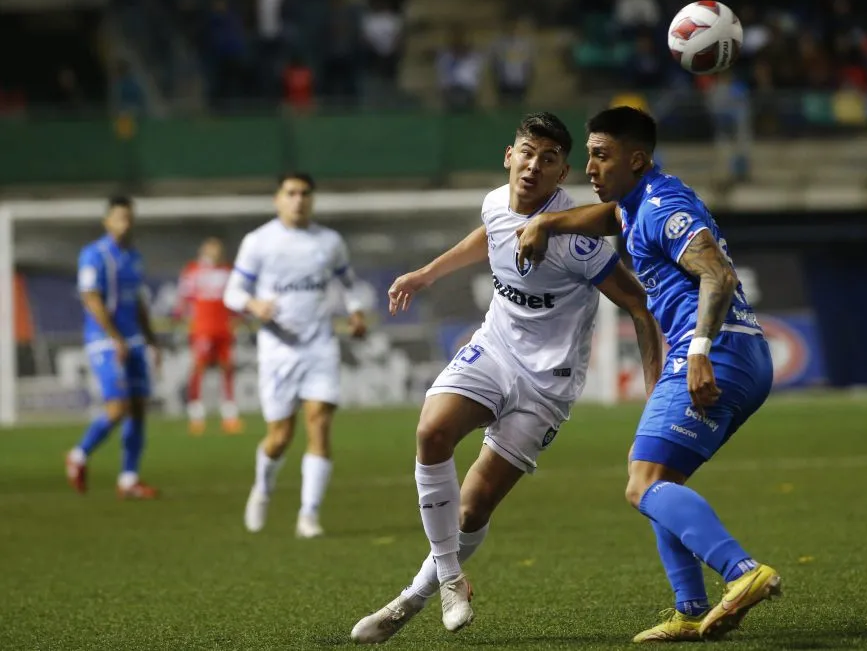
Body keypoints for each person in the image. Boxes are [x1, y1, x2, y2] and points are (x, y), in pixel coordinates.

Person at [350, 112, 663, 643]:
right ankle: (451, 578)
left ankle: (413, 596)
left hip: (548, 383)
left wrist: (655, 392)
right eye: (527, 153)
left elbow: (639, 304)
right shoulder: (495, 201)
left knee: (472, 508)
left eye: (548, 159)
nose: (533, 166)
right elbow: (489, 236)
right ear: (509, 156)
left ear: (562, 173)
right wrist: (427, 274)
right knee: (432, 431)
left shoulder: (577, 239)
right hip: (494, 350)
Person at [516, 106, 780, 642]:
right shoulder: (637, 202)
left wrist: (699, 351)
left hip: (717, 351)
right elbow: (608, 218)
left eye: (601, 155)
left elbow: (718, 275)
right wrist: (546, 222)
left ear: (636, 160)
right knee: (660, 483)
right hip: (738, 353)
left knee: (643, 484)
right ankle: (690, 609)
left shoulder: (661, 208)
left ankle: (742, 571)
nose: (589, 167)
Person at [223, 173, 368, 538]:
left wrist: (355, 311)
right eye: (290, 193)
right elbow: (232, 292)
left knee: (319, 422)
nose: (298, 200)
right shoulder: (259, 241)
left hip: (320, 346)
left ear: (312, 199)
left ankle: (309, 515)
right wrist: (254, 304)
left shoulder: (329, 241)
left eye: (304, 193)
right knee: (280, 437)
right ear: (277, 199)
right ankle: (263, 487)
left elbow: (348, 282)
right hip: (278, 350)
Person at [65, 196, 162, 499]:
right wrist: (114, 337)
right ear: (106, 221)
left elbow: (139, 301)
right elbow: (91, 297)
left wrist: (151, 339)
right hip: (104, 340)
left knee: (138, 407)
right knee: (118, 407)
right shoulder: (93, 254)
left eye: (129, 218)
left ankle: (128, 479)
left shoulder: (134, 256)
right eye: (119, 217)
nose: (125, 223)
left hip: (134, 340)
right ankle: (78, 454)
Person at [176, 237, 241, 435]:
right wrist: (183, 318)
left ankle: (229, 414)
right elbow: (183, 298)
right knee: (199, 368)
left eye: (218, 249)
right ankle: (196, 414)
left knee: (227, 368)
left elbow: (235, 298)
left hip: (223, 327)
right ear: (203, 250)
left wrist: (236, 318)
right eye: (211, 248)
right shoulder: (193, 270)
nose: (215, 252)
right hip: (203, 328)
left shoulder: (228, 270)